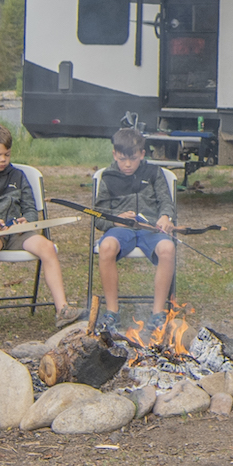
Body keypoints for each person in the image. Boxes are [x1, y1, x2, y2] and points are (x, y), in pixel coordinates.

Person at [0, 122, 64, 327]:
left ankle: (62, 308)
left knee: (47, 246)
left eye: (6, 155)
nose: (3, 160)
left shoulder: (18, 175)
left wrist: (28, 221)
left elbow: (32, 210)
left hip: (17, 231)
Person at [90, 123, 180, 320]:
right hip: (121, 230)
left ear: (142, 153)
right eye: (123, 160)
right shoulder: (108, 176)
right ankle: (112, 311)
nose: (128, 165)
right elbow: (98, 215)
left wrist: (166, 217)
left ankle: (157, 313)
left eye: (133, 159)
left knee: (168, 249)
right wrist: (116, 221)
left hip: (150, 229)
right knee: (106, 247)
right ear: (115, 155)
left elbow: (166, 201)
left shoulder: (154, 173)